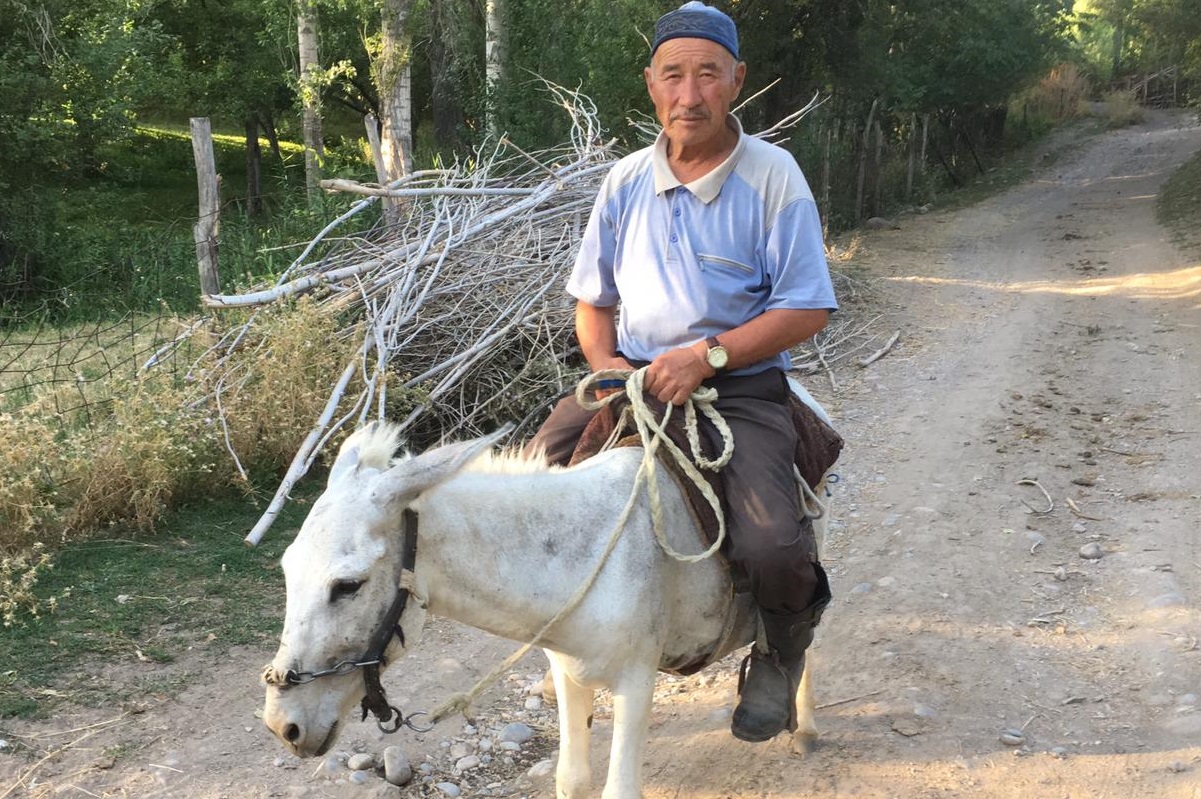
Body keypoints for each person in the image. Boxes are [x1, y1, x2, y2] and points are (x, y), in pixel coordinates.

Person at [527, 0, 837, 743]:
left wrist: (708, 355)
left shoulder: (773, 177)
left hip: (737, 387)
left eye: (707, 75)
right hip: (631, 377)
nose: (688, 94)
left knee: (773, 544)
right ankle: (571, 637)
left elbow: (807, 308)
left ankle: (776, 652)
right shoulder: (625, 181)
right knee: (533, 487)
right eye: (673, 75)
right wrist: (606, 368)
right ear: (650, 84)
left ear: (736, 80)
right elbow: (591, 301)